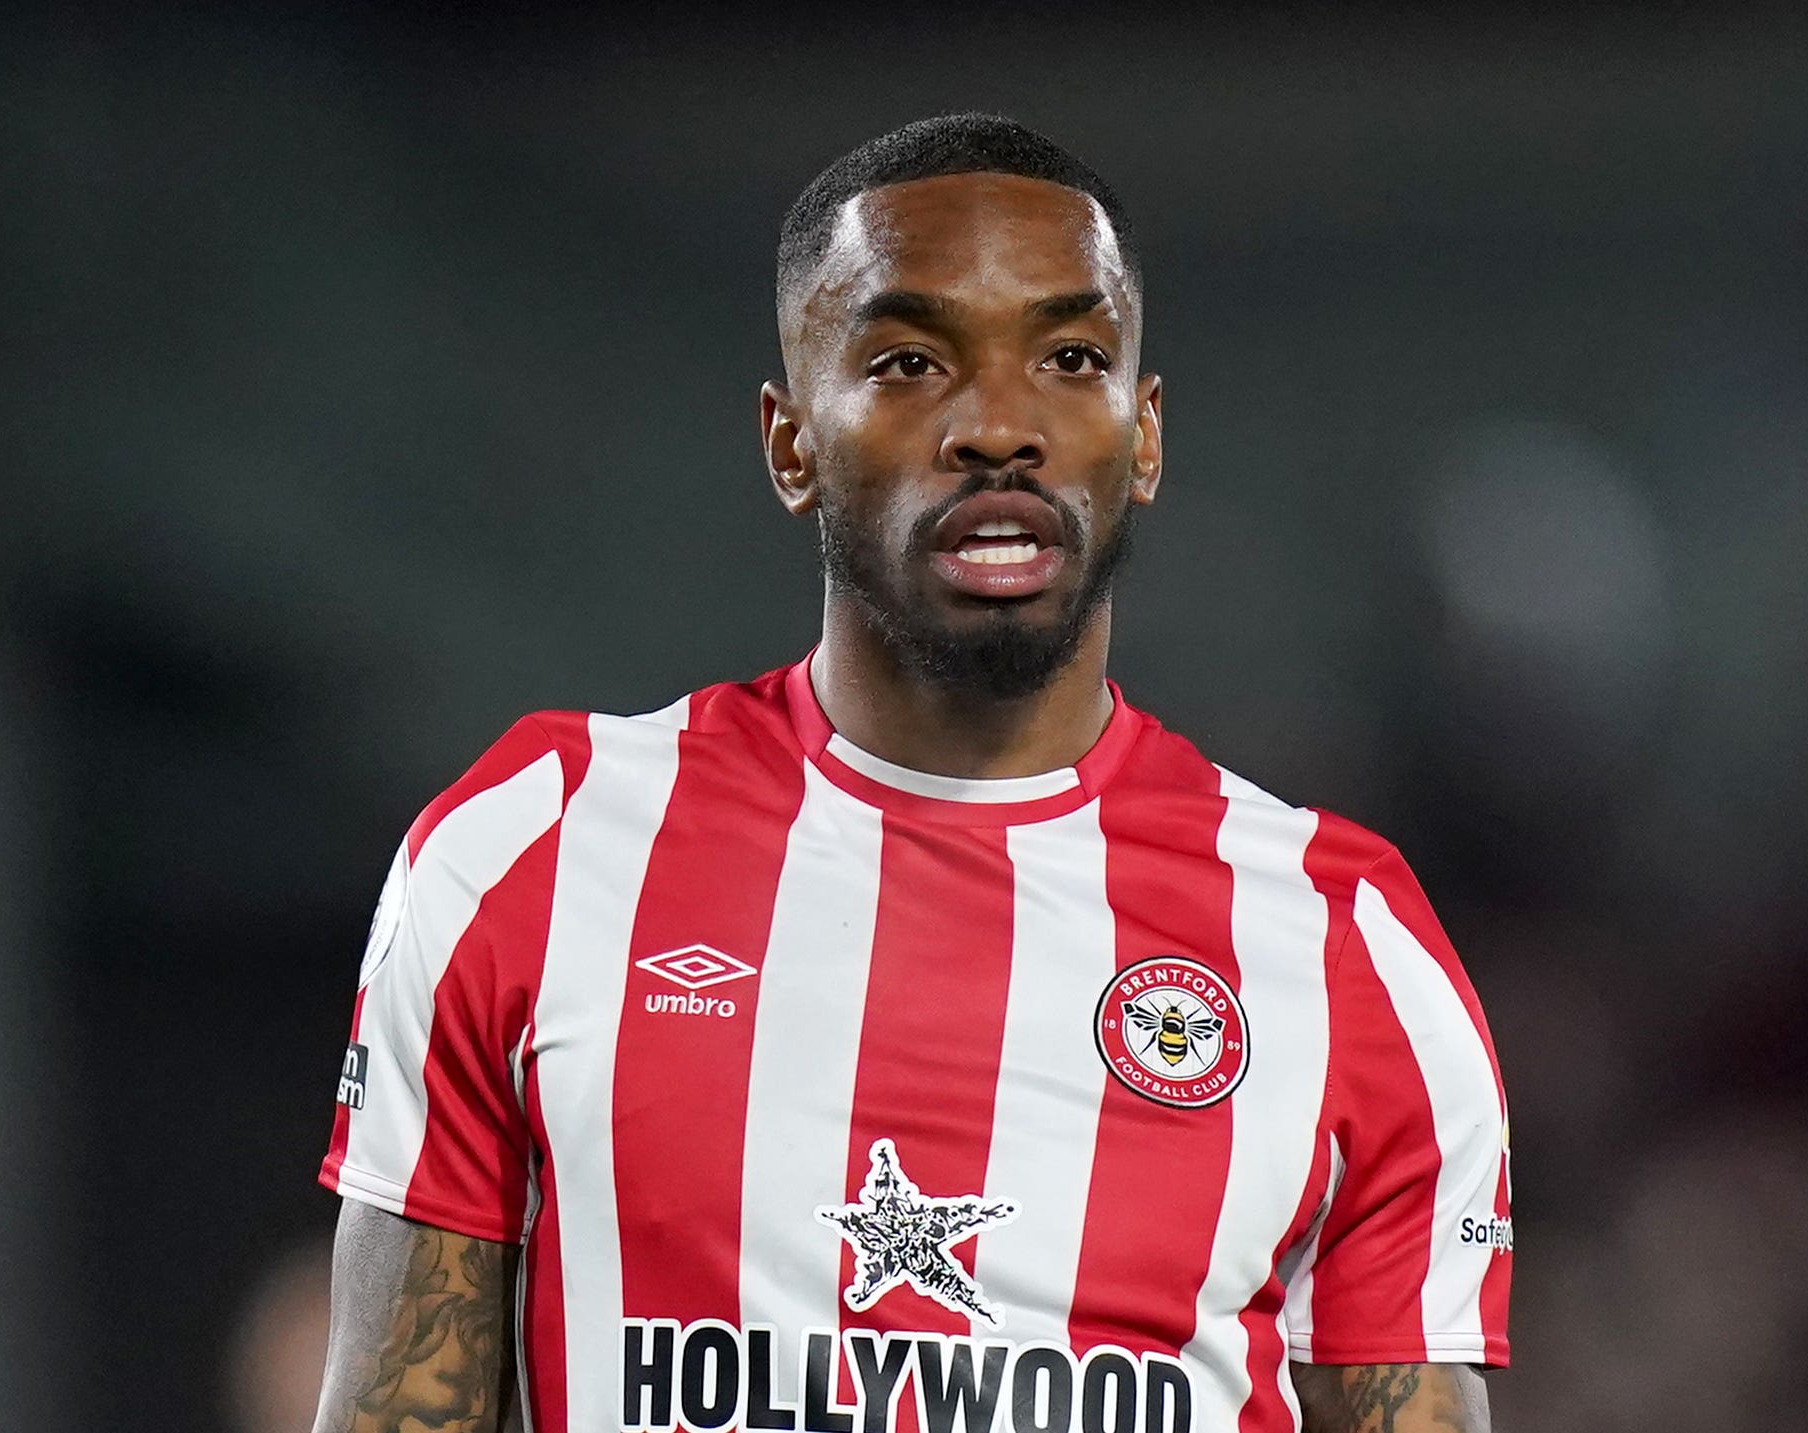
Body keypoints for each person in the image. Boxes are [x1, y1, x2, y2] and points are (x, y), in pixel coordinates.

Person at [309, 113, 1510, 1433]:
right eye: (906, 360)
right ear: (788, 445)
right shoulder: (531, 849)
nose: (998, 425)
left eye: (1069, 357)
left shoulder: (1346, 948)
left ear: (1143, 436)